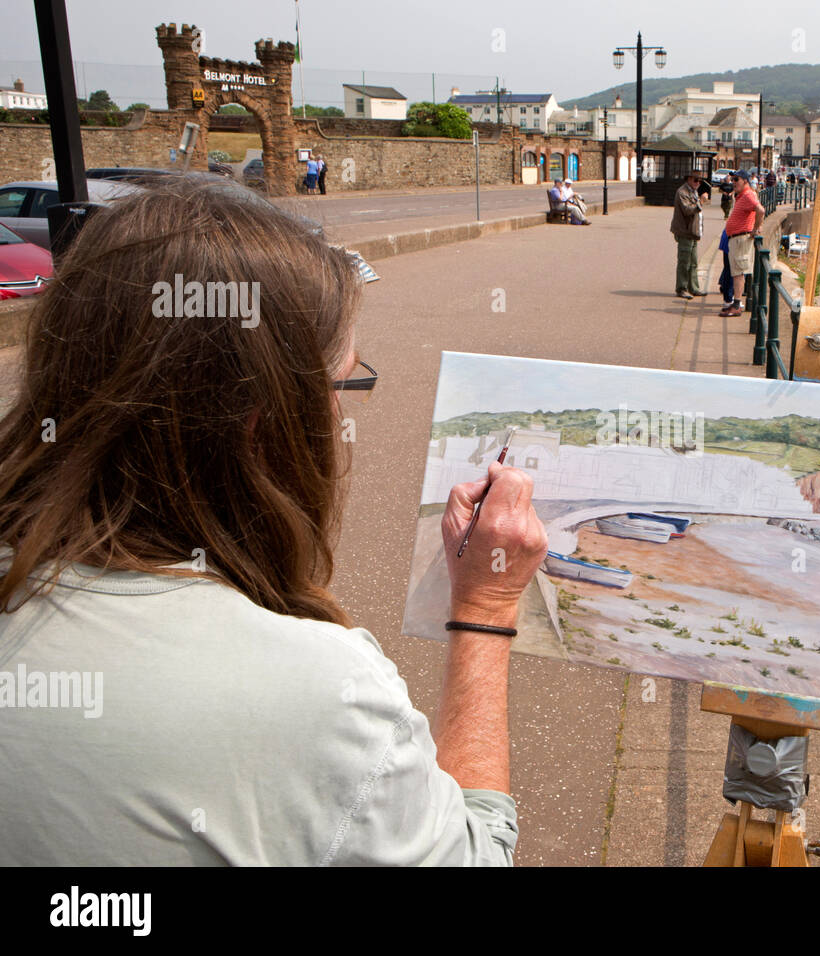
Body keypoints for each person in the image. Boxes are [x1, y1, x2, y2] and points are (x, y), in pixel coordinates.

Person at [0, 175, 548, 865]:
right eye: (343, 383)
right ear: (264, 421)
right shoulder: (318, 696)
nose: (340, 415)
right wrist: (487, 606)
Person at [719, 170, 764, 317]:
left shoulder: (748, 195)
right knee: (736, 272)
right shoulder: (743, 196)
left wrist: (756, 228)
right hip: (736, 239)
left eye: (736, 179)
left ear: (745, 181)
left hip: (740, 239)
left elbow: (760, 210)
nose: (733, 182)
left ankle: (737, 305)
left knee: (738, 273)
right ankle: (735, 302)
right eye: (732, 180)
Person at [670, 169, 706, 300]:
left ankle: (694, 287)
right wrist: (700, 202)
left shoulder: (692, 191)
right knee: (684, 261)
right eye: (696, 180)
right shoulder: (682, 192)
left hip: (692, 232)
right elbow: (687, 210)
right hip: (685, 232)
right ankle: (681, 288)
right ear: (689, 179)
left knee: (693, 262)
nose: (698, 183)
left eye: (700, 181)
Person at [717, 228, 738, 314]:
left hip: (729, 238)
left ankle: (729, 298)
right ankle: (729, 300)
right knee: (731, 271)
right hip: (732, 240)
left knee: (729, 270)